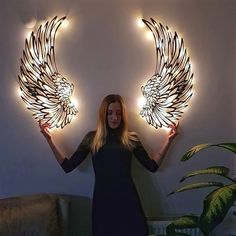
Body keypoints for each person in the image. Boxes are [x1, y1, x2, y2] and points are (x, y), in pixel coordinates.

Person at [39, 94, 178, 236]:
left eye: (118, 113)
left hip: (128, 200)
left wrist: (169, 141)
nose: (114, 117)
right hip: (103, 202)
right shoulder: (92, 138)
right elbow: (68, 167)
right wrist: (49, 139)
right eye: (110, 113)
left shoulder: (131, 138)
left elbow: (152, 166)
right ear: (103, 114)